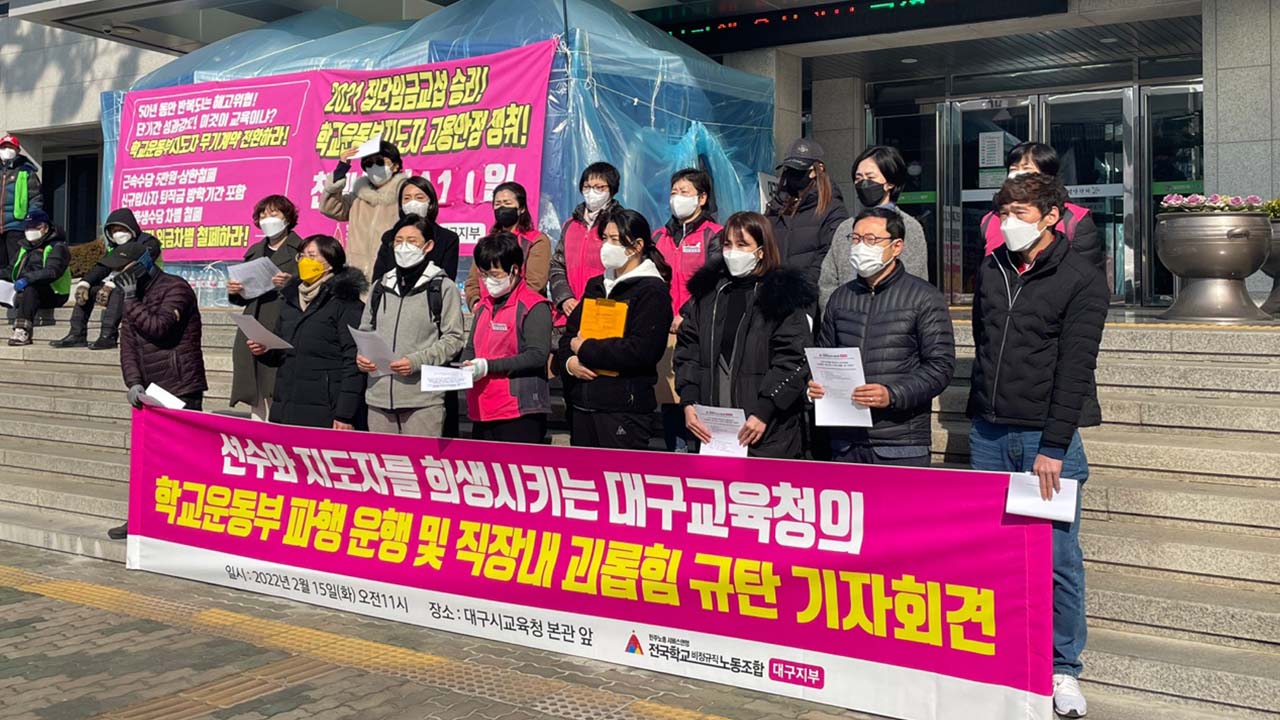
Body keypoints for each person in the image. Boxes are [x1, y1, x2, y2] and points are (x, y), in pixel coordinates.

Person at [967, 172, 1108, 719]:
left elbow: (1076, 368)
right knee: (993, 551)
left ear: (1052, 216)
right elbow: (984, 340)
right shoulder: (993, 266)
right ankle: (1005, 655)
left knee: (1057, 559)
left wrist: (1053, 444)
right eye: (1003, 212)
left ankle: (1063, 668)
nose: (1008, 222)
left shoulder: (1081, 277)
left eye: (1020, 213)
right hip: (989, 432)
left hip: (1044, 440)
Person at [808, 207, 954, 466]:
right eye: (856, 239)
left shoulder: (924, 297)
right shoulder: (841, 298)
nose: (861, 247)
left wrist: (892, 394)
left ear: (896, 247)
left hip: (900, 442)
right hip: (846, 442)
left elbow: (940, 367)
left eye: (871, 240)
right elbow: (825, 355)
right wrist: (815, 384)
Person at [675, 211, 813, 459]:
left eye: (742, 245)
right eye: (728, 244)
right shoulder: (707, 295)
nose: (733, 252)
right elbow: (688, 351)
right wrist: (688, 401)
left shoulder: (781, 296)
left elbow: (793, 360)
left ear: (761, 251)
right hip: (713, 430)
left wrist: (764, 410)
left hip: (768, 432)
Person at [110, 240, 206, 540]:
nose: (119, 274)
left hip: (179, 385)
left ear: (143, 264)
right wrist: (133, 382)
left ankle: (185, 524)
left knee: (183, 460)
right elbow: (127, 344)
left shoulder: (176, 288)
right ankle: (140, 519)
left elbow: (159, 327)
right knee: (147, 459)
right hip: (149, 389)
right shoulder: (132, 296)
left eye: (124, 268)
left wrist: (130, 300)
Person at [555, 208, 672, 450]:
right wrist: (569, 363)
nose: (607, 246)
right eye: (605, 238)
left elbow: (642, 350)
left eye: (615, 239)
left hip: (623, 409)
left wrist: (585, 349)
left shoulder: (652, 291)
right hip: (582, 405)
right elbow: (569, 336)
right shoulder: (596, 285)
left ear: (636, 245)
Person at [356, 216, 466, 436]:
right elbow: (366, 330)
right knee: (383, 458)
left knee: (421, 458)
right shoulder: (380, 286)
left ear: (428, 246)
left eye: (412, 241)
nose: (404, 247)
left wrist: (417, 361)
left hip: (423, 402)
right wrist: (362, 356)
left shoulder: (442, 287)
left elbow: (454, 339)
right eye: (399, 241)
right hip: (378, 398)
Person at [249, 235, 368, 430]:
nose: (305, 261)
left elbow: (353, 360)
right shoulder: (291, 300)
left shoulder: (345, 302)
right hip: (287, 402)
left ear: (330, 262)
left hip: (326, 407)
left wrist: (345, 414)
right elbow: (282, 352)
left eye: (312, 256)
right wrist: (264, 350)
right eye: (302, 256)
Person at [653, 168, 723, 452]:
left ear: (702, 198)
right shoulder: (659, 236)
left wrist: (685, 312)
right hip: (665, 331)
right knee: (671, 398)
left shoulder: (715, 235)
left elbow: (714, 280)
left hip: (700, 328)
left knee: (699, 396)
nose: (677, 198)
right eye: (674, 192)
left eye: (685, 192)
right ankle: (677, 454)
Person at [464, 232, 553, 443]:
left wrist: (488, 366)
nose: (488, 281)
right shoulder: (484, 305)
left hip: (518, 410)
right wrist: (461, 367)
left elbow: (537, 355)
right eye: (484, 274)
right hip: (482, 406)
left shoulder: (533, 305)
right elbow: (471, 347)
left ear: (514, 269)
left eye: (495, 274)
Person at [820, 145, 930, 308]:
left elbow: (916, 284)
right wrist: (834, 314)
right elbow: (828, 280)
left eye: (870, 177)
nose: (863, 183)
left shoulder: (909, 227)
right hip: (846, 316)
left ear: (890, 183)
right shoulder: (846, 228)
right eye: (858, 178)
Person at [227, 195, 304, 420]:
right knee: (254, 390)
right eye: (263, 215)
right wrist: (235, 290)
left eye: (274, 214)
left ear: (287, 218)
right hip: (253, 322)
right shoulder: (255, 250)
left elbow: (312, 288)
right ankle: (257, 432)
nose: (267, 219)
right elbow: (244, 296)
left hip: (281, 323)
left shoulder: (300, 249)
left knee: (274, 386)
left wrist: (291, 283)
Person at [980, 142, 1104, 274]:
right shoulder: (990, 220)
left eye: (1026, 169)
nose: (1018, 175)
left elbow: (1089, 276)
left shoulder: (1074, 219)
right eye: (1013, 169)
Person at [52, 207, 162, 350]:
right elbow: (102, 267)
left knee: (120, 289)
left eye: (121, 229)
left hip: (149, 288)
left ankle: (108, 336)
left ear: (131, 227)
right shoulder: (114, 248)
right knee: (88, 291)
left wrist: (112, 284)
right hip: (122, 287)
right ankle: (77, 334)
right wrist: (85, 283)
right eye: (114, 231)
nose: (118, 234)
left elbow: (140, 267)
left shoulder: (149, 243)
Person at [766, 138, 849, 303]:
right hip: (774, 295)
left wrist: (801, 287)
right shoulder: (776, 206)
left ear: (817, 170)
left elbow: (828, 253)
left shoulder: (832, 209)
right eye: (789, 170)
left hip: (809, 297)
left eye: (799, 170)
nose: (792, 175)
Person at [320, 140, 407, 281]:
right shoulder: (358, 197)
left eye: (380, 162)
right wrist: (341, 169)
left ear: (395, 166)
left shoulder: (404, 195)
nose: (374, 167)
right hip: (355, 274)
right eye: (369, 164)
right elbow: (329, 207)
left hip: (389, 273)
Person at [548, 162, 622, 324]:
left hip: (604, 313)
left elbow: (627, 268)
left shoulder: (621, 224)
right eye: (587, 187)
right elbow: (557, 265)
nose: (591, 192)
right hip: (567, 315)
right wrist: (565, 298)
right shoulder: (570, 225)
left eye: (599, 187)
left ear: (611, 189)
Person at [463, 181, 551, 310]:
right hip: (486, 310)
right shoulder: (486, 243)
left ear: (521, 208)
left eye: (507, 203)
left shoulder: (536, 240)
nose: (502, 208)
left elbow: (535, 284)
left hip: (520, 311)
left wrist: (507, 309)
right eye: (497, 204)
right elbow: (473, 281)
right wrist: (476, 303)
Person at [371, 176, 460, 282]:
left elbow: (447, 280)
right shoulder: (389, 237)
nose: (412, 203)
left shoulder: (447, 238)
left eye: (419, 198)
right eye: (407, 198)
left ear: (430, 203)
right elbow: (378, 278)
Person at [6, 210, 70, 347]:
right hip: (23, 291)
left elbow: (52, 272)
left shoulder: (57, 246)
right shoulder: (25, 247)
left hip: (54, 293)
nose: (30, 231)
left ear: (45, 227)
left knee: (31, 288)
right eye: (28, 227)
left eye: (35, 227)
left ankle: (22, 331)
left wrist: (27, 279)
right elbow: (10, 270)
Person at [0, 134, 44, 275]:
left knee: (16, 265)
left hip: (16, 225)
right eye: (3, 147)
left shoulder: (26, 171)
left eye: (10, 147)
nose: (6, 150)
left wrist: (31, 221)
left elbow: (36, 198)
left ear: (18, 150)